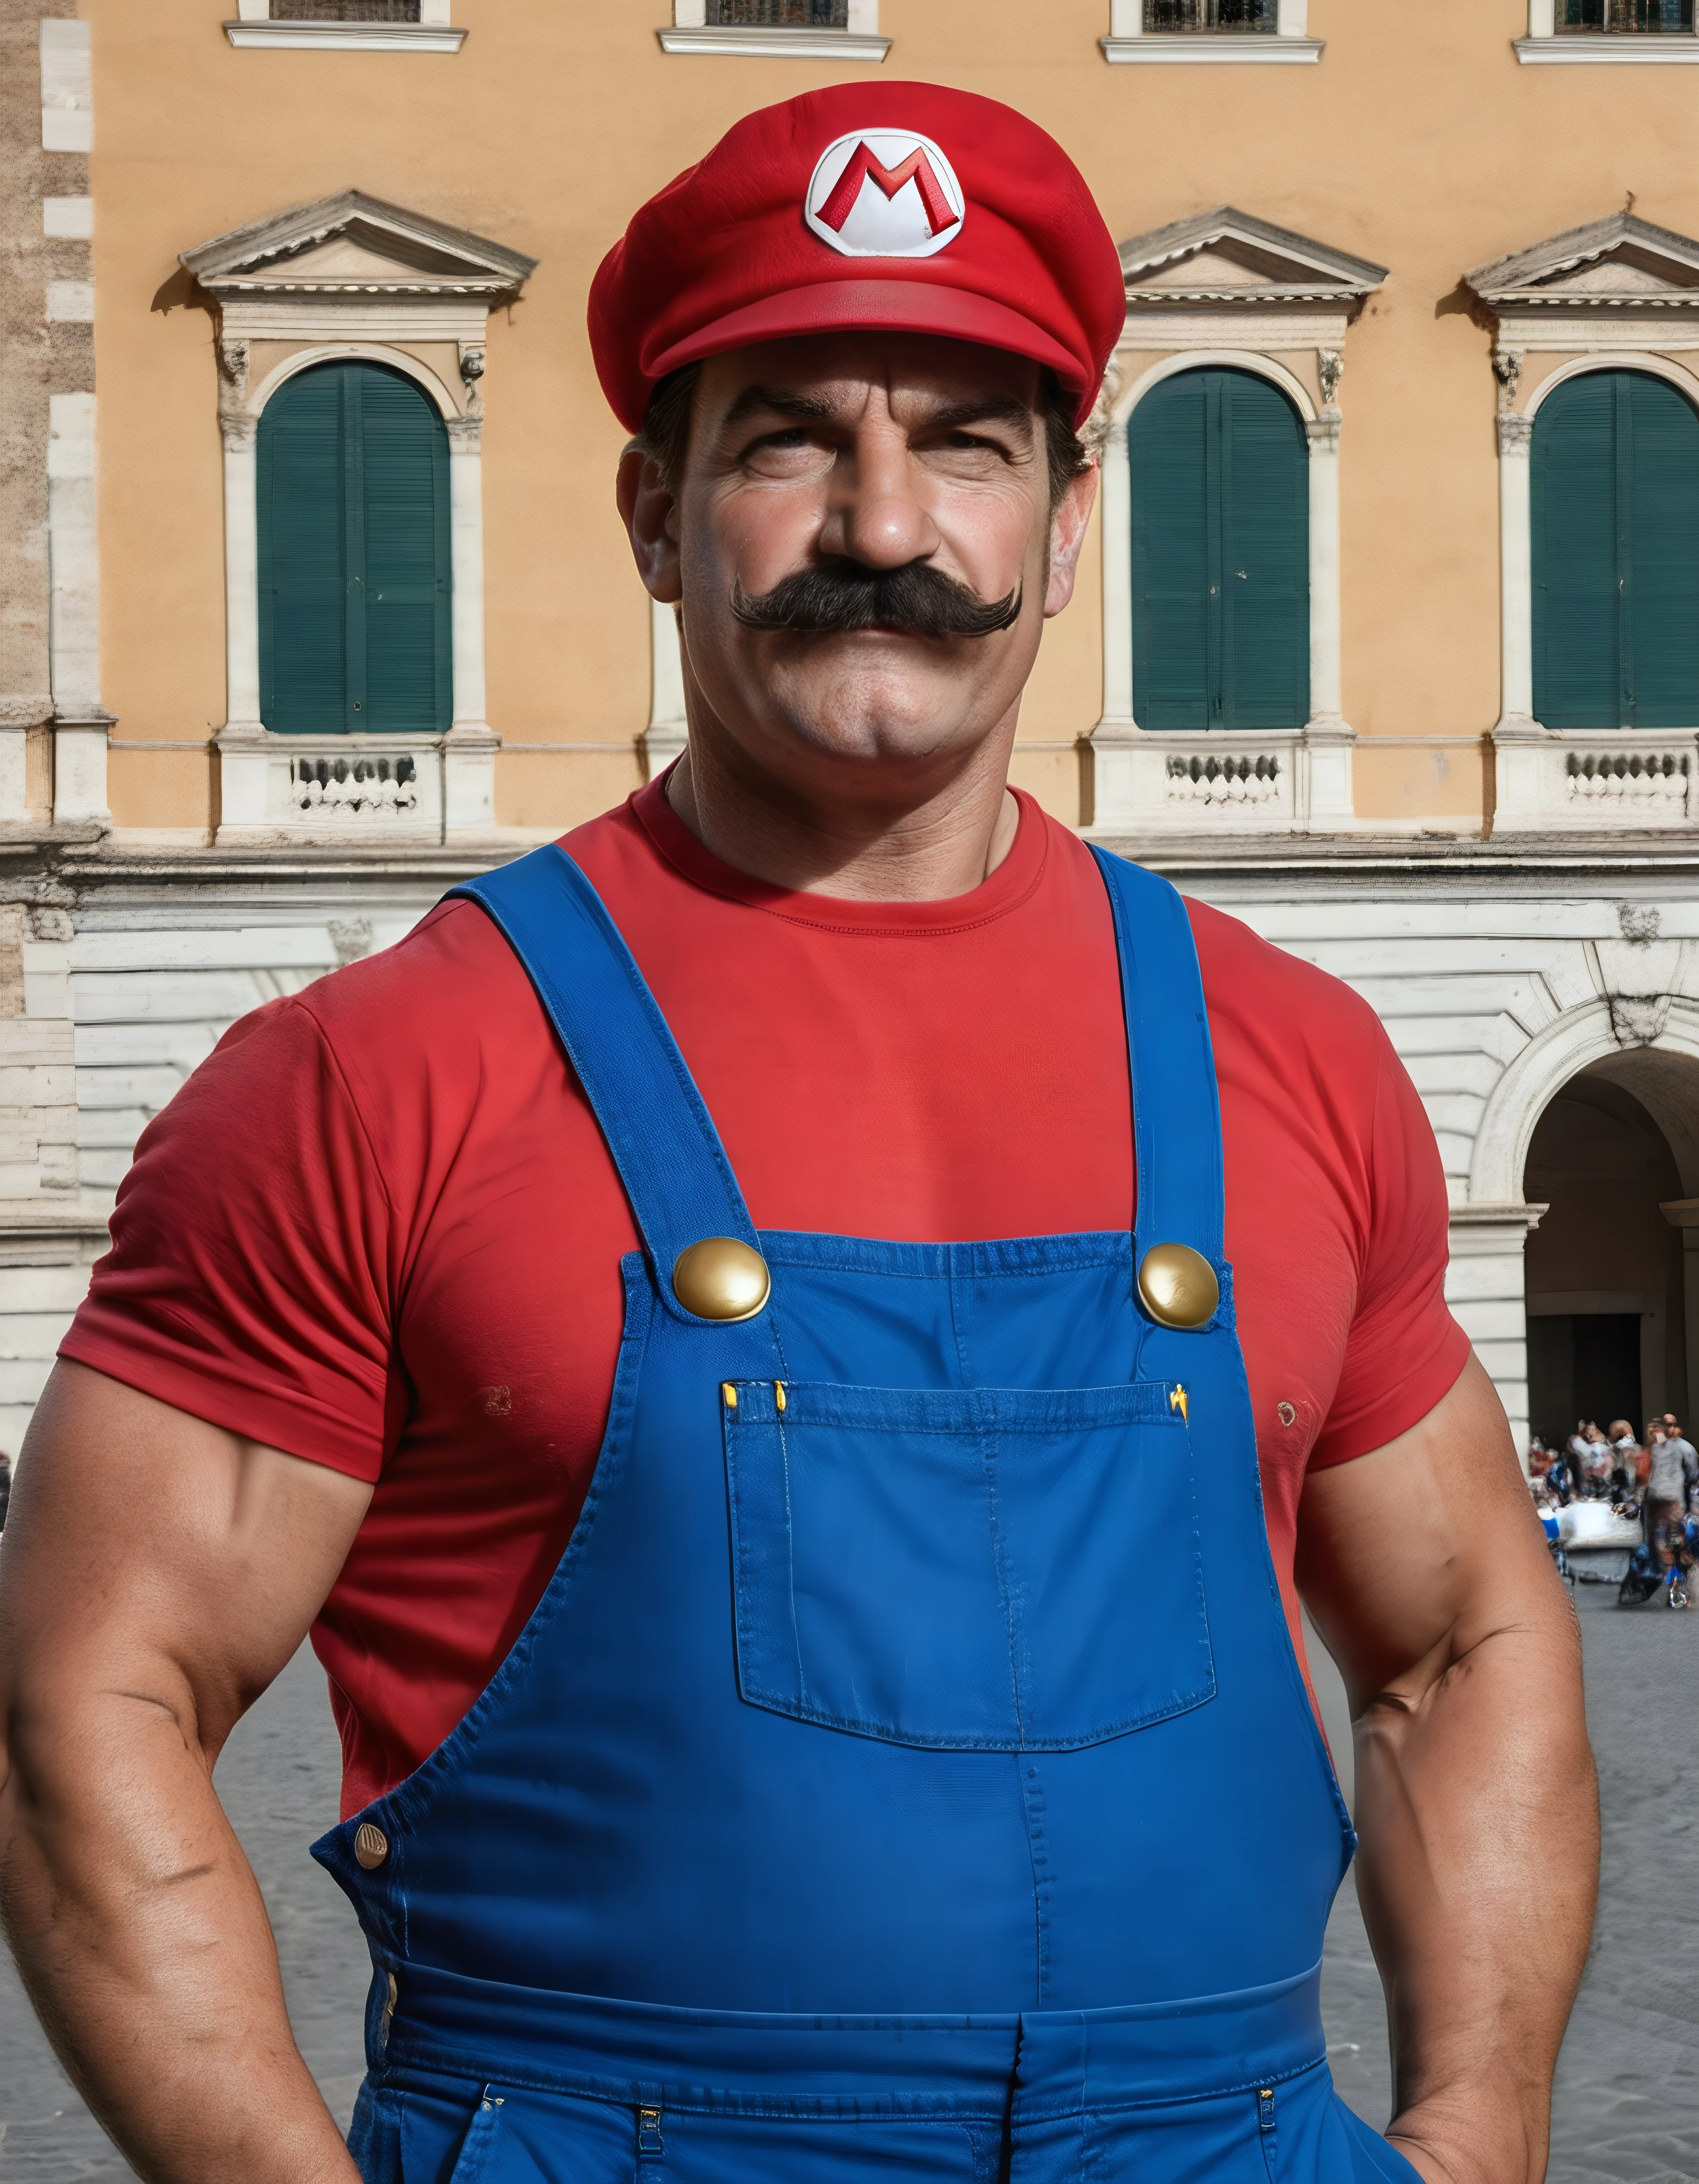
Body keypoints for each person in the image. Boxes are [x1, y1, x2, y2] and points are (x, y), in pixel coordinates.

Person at [0, 83, 1596, 2184]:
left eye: (961, 442)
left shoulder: (1286, 1057)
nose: (879, 524)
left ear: (1063, 507)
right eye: (786, 440)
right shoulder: (365, 1078)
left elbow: (1469, 1633)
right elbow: (86, 1709)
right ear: (653, 510)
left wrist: (1470, 2136)